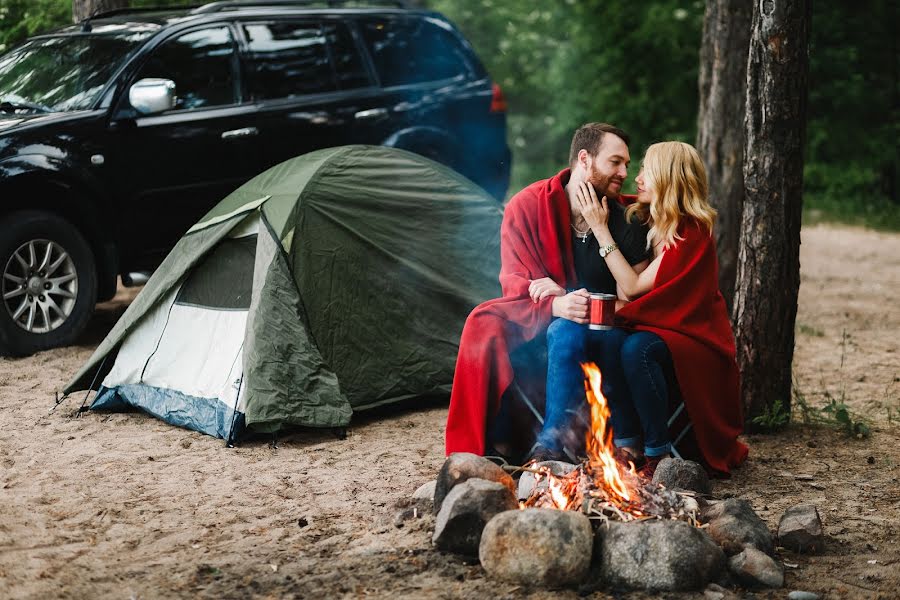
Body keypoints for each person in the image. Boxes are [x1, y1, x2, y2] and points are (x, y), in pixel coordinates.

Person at [444, 123, 650, 462]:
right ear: (585, 159)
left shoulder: (626, 219)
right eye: (615, 162)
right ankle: (516, 445)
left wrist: (573, 299)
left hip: (608, 330)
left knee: (571, 329)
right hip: (543, 334)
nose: (624, 172)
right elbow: (514, 281)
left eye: (626, 164)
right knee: (487, 323)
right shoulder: (527, 206)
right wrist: (555, 304)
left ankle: (553, 443)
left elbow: (631, 294)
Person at [562, 140, 748, 476]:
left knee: (636, 349)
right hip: (658, 327)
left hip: (694, 336)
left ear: (668, 178)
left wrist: (602, 230)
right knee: (612, 340)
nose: (638, 177)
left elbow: (633, 289)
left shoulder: (691, 232)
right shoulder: (646, 217)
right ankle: (628, 442)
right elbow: (595, 201)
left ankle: (657, 452)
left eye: (647, 169)